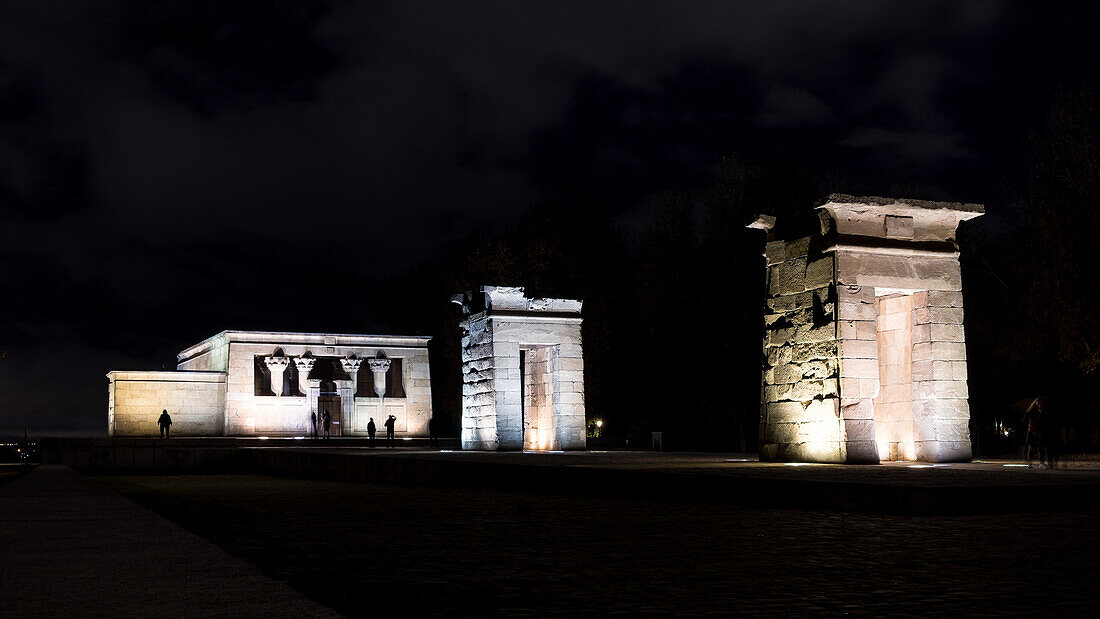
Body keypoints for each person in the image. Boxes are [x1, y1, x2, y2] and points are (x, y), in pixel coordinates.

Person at [1022, 398, 1044, 468]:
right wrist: (1028, 426)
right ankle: (1030, 464)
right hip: (1032, 432)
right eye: (1039, 403)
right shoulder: (1031, 411)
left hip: (1039, 432)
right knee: (1031, 448)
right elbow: (1024, 420)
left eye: (1041, 403)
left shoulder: (1042, 412)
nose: (1040, 405)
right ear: (1036, 403)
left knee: (1040, 448)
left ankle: (1041, 463)